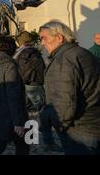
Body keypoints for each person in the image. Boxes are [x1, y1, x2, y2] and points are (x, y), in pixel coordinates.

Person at [39, 20, 100, 155]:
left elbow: (65, 99)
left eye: (44, 38)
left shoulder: (65, 58)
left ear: (59, 37)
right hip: (93, 123)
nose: (42, 43)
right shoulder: (81, 52)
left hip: (79, 129)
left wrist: (60, 125)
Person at [14, 31, 46, 112]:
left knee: (29, 108)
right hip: (32, 82)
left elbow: (26, 69)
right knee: (40, 108)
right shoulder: (30, 52)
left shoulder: (23, 52)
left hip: (28, 82)